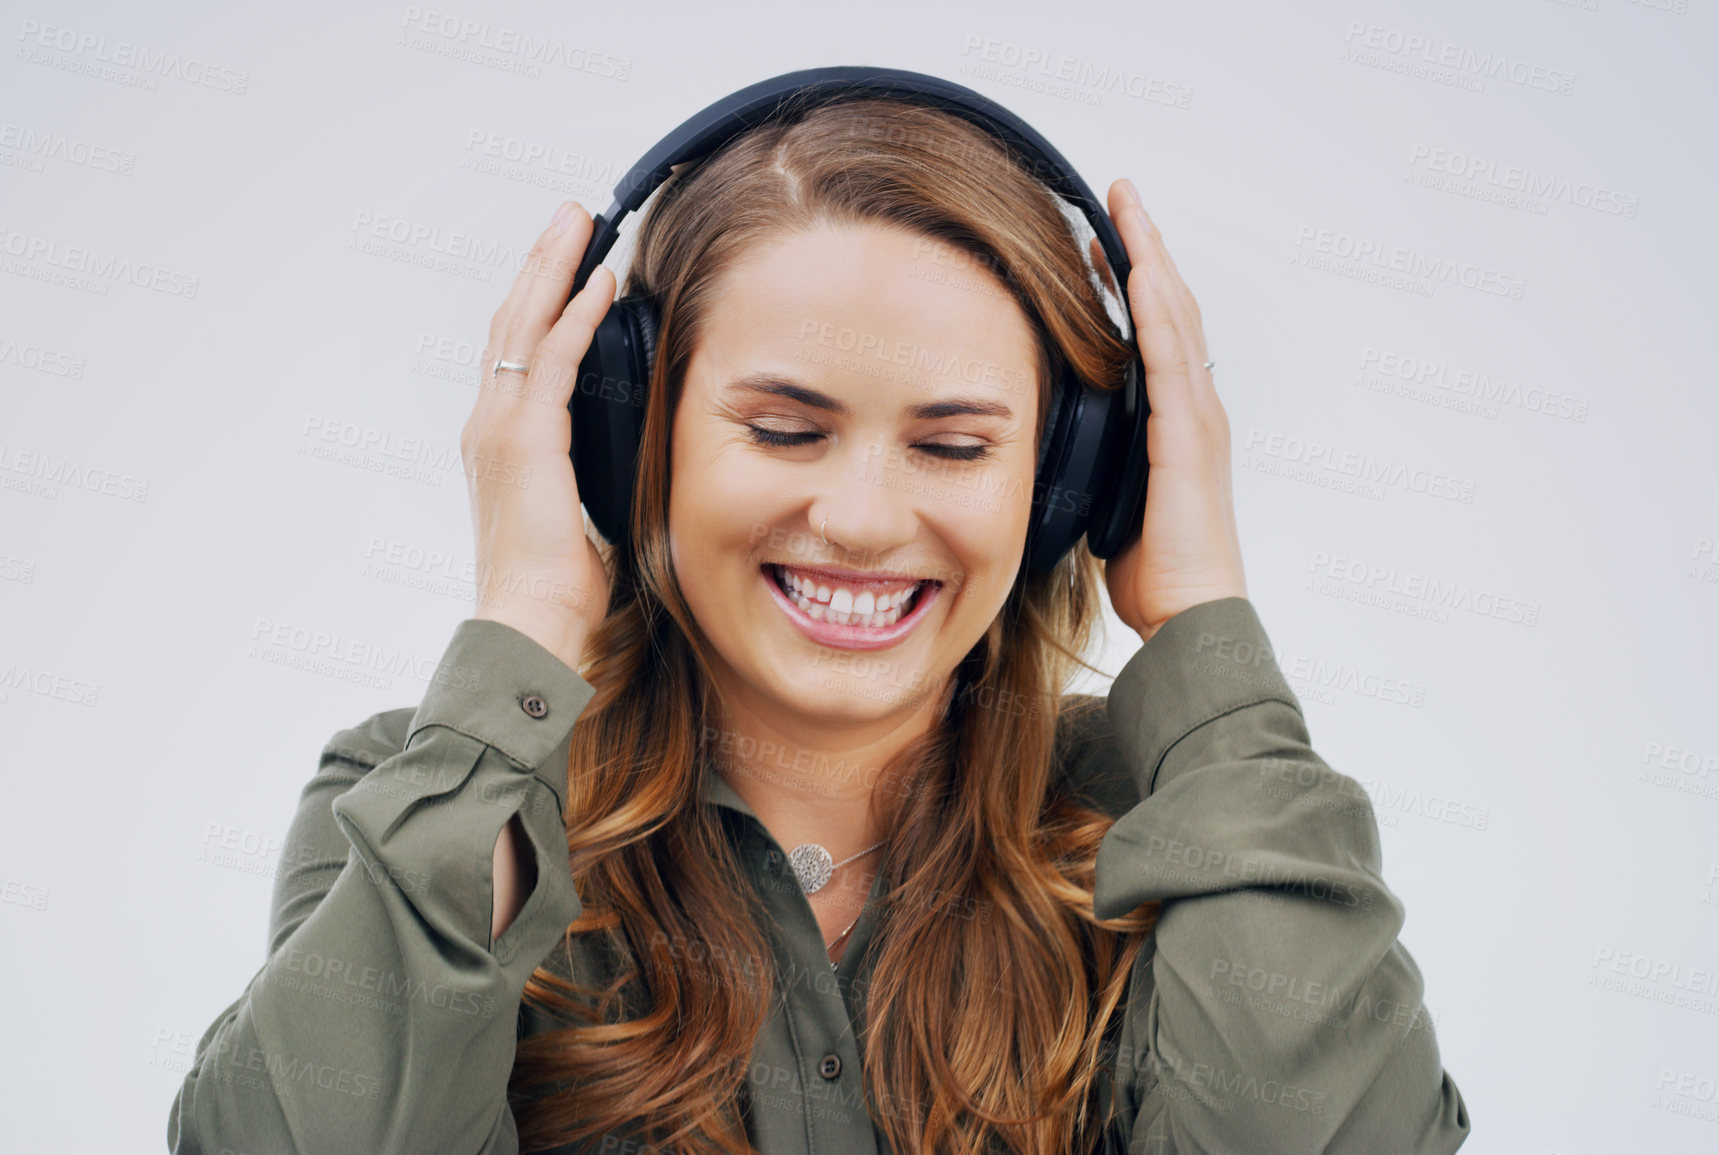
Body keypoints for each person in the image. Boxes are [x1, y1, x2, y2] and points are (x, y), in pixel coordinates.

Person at [167, 95, 1470, 1154]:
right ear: (628, 436)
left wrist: (1200, 616)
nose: (858, 516)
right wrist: (525, 616)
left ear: (1070, 477)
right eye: (784, 430)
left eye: (954, 445)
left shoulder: (1176, 822)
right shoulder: (448, 800)